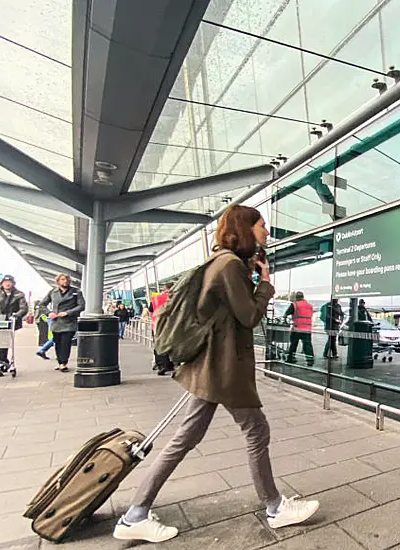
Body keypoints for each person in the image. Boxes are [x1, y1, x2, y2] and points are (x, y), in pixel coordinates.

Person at [113, 205, 319, 543]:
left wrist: (252, 276)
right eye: (261, 225)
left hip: (211, 368)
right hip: (223, 369)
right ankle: (275, 507)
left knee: (186, 438)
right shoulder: (229, 265)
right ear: (245, 227)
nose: (266, 232)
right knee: (256, 430)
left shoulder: (222, 262)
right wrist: (265, 283)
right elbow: (249, 316)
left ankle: (136, 513)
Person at [37, 274, 85, 373]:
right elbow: (42, 304)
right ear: (58, 281)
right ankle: (60, 362)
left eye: (67, 279)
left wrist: (68, 312)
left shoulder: (76, 292)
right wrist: (49, 313)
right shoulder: (52, 292)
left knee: (65, 343)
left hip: (69, 322)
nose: (65, 281)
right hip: (56, 322)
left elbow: (81, 306)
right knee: (57, 343)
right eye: (63, 279)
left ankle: (63, 363)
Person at [149, 283, 176, 376]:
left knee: (159, 345)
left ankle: (162, 365)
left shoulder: (156, 299)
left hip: (157, 325)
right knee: (172, 343)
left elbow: (151, 310)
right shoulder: (175, 297)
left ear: (164, 289)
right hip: (172, 325)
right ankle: (173, 364)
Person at [283, 291, 314, 366]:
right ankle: (310, 360)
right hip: (307, 329)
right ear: (303, 297)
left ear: (296, 297)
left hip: (297, 328)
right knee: (308, 345)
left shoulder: (294, 304)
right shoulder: (310, 306)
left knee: (293, 344)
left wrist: (285, 320)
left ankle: (290, 358)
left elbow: (286, 314)